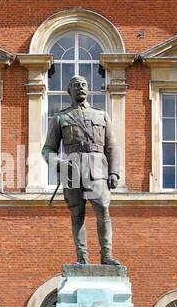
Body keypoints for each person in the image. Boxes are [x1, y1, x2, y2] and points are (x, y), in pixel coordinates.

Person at [43, 74, 121, 265]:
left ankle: (107, 255)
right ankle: (82, 258)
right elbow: (48, 149)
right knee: (77, 213)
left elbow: (112, 146)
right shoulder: (61, 117)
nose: (81, 87)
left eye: (84, 84)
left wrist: (114, 172)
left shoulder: (101, 115)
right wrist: (59, 163)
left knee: (103, 208)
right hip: (73, 169)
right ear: (69, 90)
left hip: (97, 168)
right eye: (76, 85)